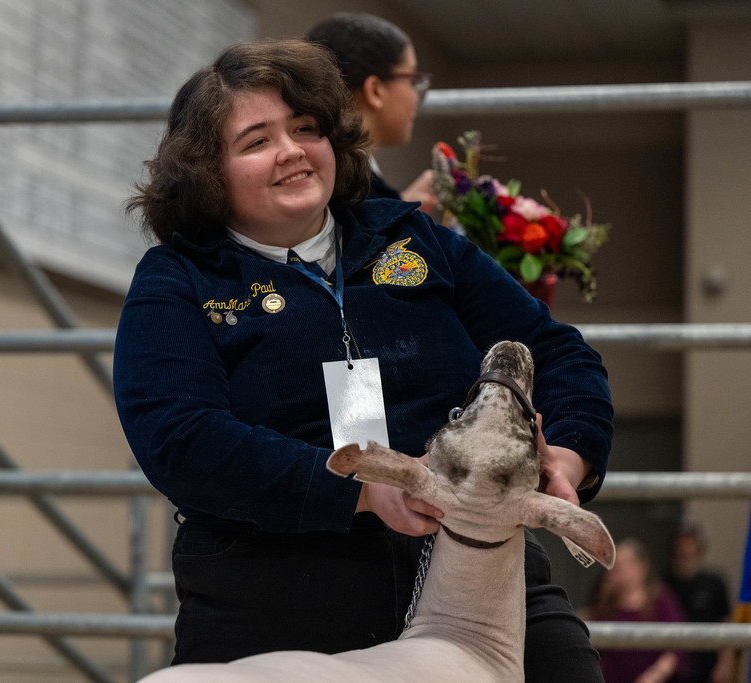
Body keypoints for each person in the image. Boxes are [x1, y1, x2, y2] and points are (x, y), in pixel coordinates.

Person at [114, 38, 613, 680]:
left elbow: (558, 351)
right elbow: (180, 439)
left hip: (476, 579)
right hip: (275, 598)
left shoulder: (415, 239)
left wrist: (566, 453)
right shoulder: (178, 279)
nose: (291, 151)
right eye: (256, 140)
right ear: (209, 171)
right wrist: (359, 489)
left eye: (305, 128)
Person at [307, 12, 436, 206]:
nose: (416, 95)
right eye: (412, 80)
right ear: (375, 91)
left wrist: (401, 208)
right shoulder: (348, 191)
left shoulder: (315, 173)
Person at [583, 538, 689, 683]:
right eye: (614, 565)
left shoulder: (661, 599)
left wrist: (655, 675)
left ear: (641, 566)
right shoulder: (607, 600)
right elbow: (587, 638)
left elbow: (678, 645)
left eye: (624, 564)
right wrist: (605, 591)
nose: (619, 570)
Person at [663, 519, 734, 683]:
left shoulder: (715, 582)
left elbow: (726, 623)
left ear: (700, 545)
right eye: (681, 540)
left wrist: (725, 663)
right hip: (674, 666)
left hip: (707, 663)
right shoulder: (663, 583)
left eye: (690, 540)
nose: (686, 546)